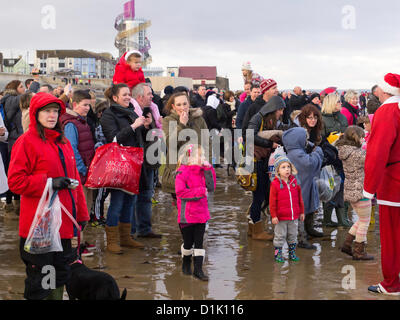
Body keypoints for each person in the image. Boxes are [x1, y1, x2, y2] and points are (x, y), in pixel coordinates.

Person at [8, 92, 89, 300]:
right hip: (39, 227)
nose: (52, 115)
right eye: (46, 111)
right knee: (40, 278)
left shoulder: (63, 142)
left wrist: (81, 214)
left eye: (55, 111)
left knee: (60, 273)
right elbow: (15, 182)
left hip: (63, 225)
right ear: (36, 114)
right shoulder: (26, 142)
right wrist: (48, 183)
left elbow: (75, 182)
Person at [100, 83, 147, 254]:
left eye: (129, 94)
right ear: (115, 98)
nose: (128, 97)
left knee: (130, 201)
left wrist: (145, 126)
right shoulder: (108, 114)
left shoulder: (131, 112)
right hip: (119, 164)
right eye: (125, 94)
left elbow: (136, 136)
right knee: (117, 202)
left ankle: (126, 237)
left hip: (134, 162)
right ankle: (112, 240)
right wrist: (134, 126)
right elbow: (113, 138)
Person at [364, 73, 400, 295]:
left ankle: (391, 284)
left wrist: (368, 188)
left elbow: (377, 153)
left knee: (391, 235)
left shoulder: (387, 111)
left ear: (385, 91)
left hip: (393, 181)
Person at [246, 96, 287, 241]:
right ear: (274, 108)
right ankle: (257, 230)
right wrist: (270, 144)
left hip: (263, 161)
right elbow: (249, 135)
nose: (281, 113)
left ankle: (253, 228)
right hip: (256, 161)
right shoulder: (258, 118)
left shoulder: (269, 119)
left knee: (260, 195)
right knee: (259, 195)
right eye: (280, 110)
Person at [175, 144, 216, 281]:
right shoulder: (182, 173)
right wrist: (199, 192)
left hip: (201, 214)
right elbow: (180, 192)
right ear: (190, 158)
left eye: (203, 155)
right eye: (200, 155)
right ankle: (186, 261)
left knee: (199, 242)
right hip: (186, 216)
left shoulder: (203, 171)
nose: (203, 158)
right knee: (188, 243)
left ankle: (198, 269)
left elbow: (211, 187)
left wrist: (209, 169)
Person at [161, 92, 209, 208]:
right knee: (183, 210)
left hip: (198, 170)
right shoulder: (168, 120)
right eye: (178, 105)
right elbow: (170, 143)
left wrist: (207, 164)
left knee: (199, 209)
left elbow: (207, 143)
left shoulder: (199, 119)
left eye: (184, 104)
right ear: (173, 106)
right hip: (178, 172)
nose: (182, 107)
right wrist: (182, 124)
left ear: (189, 104)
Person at [129, 83, 162, 239]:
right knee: (134, 197)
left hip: (150, 160)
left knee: (146, 196)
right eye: (149, 94)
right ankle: (132, 231)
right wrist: (145, 128)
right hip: (136, 161)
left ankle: (145, 229)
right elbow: (133, 136)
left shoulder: (151, 111)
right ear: (140, 97)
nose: (152, 96)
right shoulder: (131, 113)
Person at [282, 127, 324, 249]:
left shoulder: (293, 151)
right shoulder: (297, 154)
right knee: (301, 213)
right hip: (300, 189)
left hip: (303, 186)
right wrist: (318, 152)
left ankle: (308, 230)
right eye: (304, 139)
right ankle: (301, 239)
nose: (307, 141)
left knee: (307, 209)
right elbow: (310, 164)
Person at [337, 126, 373, 261]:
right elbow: (373, 159)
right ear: (356, 138)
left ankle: (347, 245)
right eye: (362, 137)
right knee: (365, 222)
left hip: (351, 191)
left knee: (361, 220)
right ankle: (359, 251)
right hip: (361, 191)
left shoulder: (346, 151)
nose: (364, 139)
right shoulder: (358, 154)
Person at [60, 90, 95, 215]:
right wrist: (84, 169)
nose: (88, 108)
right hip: (80, 174)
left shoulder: (80, 121)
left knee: (85, 209)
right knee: (80, 211)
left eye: (89, 105)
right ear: (75, 105)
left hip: (85, 172)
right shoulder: (71, 124)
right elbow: (72, 150)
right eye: (85, 105)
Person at [321, 93, 352, 228]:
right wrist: (330, 138)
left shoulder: (342, 117)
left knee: (343, 187)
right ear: (331, 103)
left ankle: (342, 218)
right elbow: (319, 139)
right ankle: (327, 219)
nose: (341, 103)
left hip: (343, 156)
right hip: (329, 158)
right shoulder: (322, 119)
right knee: (330, 186)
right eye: (338, 101)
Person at [270, 155, 304, 262]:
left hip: (293, 216)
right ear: (278, 171)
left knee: (293, 235)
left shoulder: (294, 182)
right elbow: (272, 202)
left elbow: (300, 198)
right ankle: (278, 254)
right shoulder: (275, 184)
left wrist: (302, 212)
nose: (287, 169)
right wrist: (274, 215)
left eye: (288, 167)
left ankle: (292, 253)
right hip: (281, 218)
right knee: (280, 236)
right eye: (283, 167)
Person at [1, 80, 26, 217]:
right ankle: (13, 204)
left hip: (11, 139)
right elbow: (28, 97)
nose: (23, 89)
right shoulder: (12, 98)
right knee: (13, 172)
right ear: (14, 88)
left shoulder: (8, 99)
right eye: (21, 86)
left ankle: (13, 203)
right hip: (13, 140)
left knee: (12, 171)